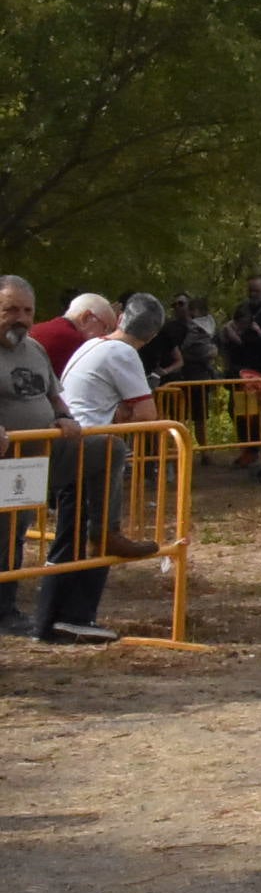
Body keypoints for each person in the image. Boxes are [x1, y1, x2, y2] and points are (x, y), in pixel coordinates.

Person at [32, 291, 165, 643]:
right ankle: (77, 616)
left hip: (72, 443)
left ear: (121, 318)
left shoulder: (94, 345)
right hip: (90, 453)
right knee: (96, 535)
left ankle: (49, 620)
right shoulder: (122, 352)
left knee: (68, 535)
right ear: (152, 335)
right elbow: (146, 415)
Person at [0, 275, 80, 635]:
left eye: (27, 311)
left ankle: (6, 608)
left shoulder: (35, 349)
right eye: (10, 309)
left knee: (15, 532)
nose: (20, 318)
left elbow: (52, 393)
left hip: (30, 460)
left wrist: (63, 416)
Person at [30, 293, 114, 378]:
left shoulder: (36, 329)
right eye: (106, 328)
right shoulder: (77, 344)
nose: (107, 336)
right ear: (85, 317)